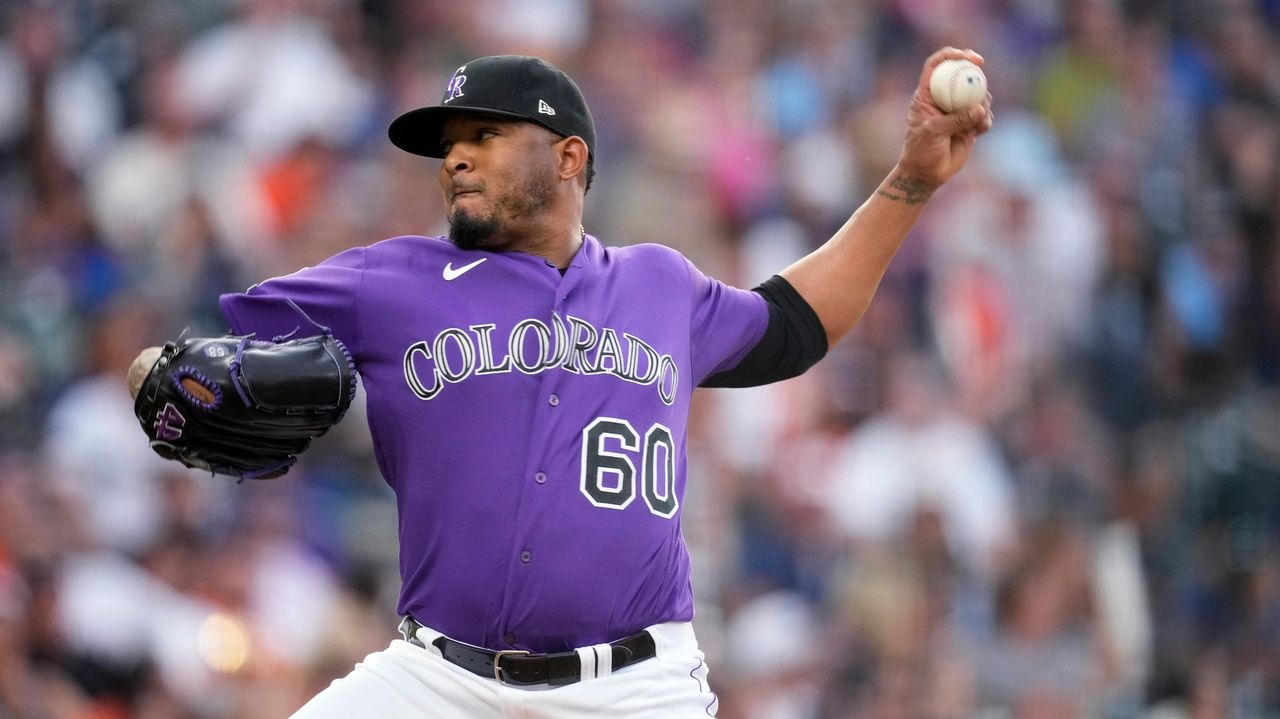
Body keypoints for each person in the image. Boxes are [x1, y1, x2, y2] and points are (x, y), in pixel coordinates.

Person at [129, 48, 992, 718]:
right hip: (437, 677)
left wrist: (911, 180)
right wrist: (159, 383)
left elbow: (798, 325)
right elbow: (183, 359)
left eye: (483, 136)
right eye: (449, 146)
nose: (455, 159)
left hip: (632, 685)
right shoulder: (384, 282)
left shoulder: (662, 285)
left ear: (569, 155)